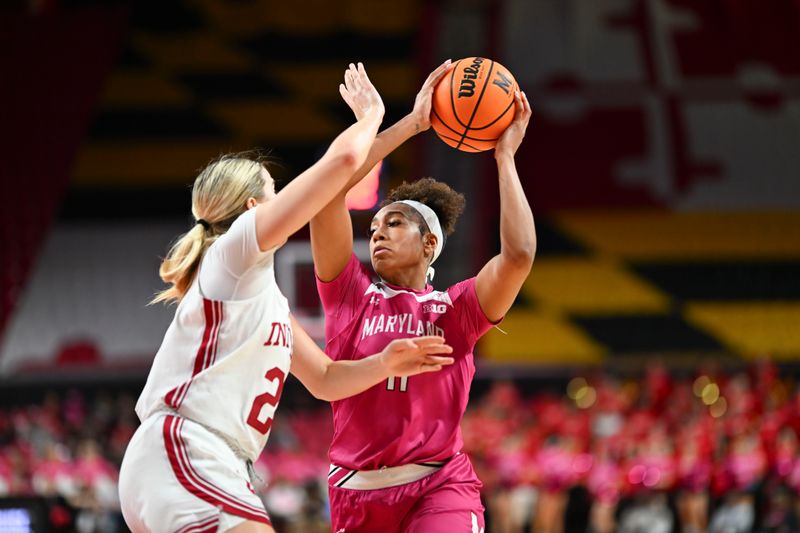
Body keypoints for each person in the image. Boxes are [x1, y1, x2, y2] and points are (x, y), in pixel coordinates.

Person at [118, 63, 455, 533]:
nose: (287, 199)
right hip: (186, 449)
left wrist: (386, 363)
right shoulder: (233, 251)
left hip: (210, 464)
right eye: (276, 192)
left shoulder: (260, 296)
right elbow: (336, 172)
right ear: (254, 208)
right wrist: (371, 117)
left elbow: (326, 378)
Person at [310, 59, 535, 532]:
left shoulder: (456, 310)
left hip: (440, 484)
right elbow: (326, 193)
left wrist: (505, 157)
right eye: (373, 227)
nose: (377, 234)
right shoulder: (351, 295)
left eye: (393, 223)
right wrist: (412, 123)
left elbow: (518, 256)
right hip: (356, 491)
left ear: (430, 243)